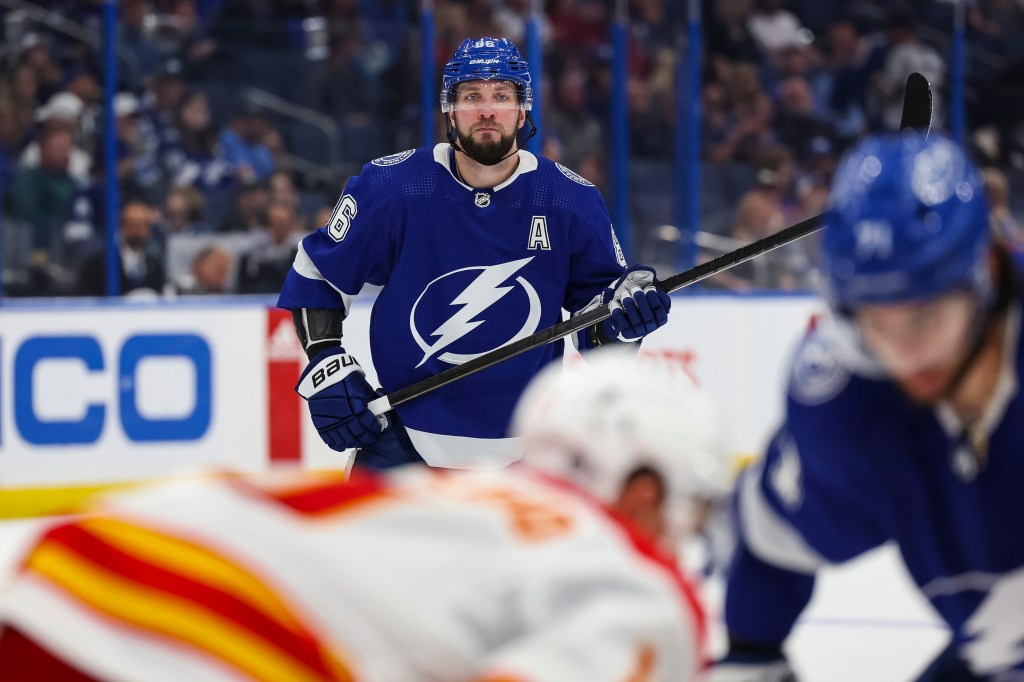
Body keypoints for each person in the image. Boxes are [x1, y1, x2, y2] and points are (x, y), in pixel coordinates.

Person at [0, 350, 715, 681]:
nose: (684, 535)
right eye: (690, 506)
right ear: (643, 490)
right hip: (193, 643)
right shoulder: (633, 573)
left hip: (75, 565)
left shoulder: (469, 503)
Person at [711, 132, 1024, 680]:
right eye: (878, 323)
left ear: (989, 275)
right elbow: (767, 540)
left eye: (925, 318)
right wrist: (752, 660)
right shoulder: (853, 402)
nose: (905, 353)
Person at [277, 37, 672, 471]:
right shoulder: (393, 187)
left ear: (523, 111)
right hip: (401, 449)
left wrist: (628, 322)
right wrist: (326, 363)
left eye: (502, 96)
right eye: (472, 96)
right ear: (450, 109)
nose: (487, 110)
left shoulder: (570, 199)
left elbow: (596, 330)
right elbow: (317, 273)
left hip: (529, 459)